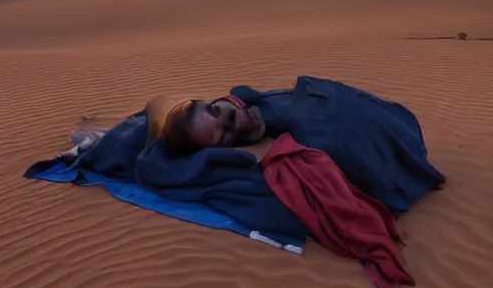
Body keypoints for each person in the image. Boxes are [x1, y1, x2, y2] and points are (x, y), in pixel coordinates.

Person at [160, 76, 445, 212]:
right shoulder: (306, 142)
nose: (233, 118)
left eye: (215, 109)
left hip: (403, 123)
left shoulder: (252, 99)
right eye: (224, 133)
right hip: (406, 147)